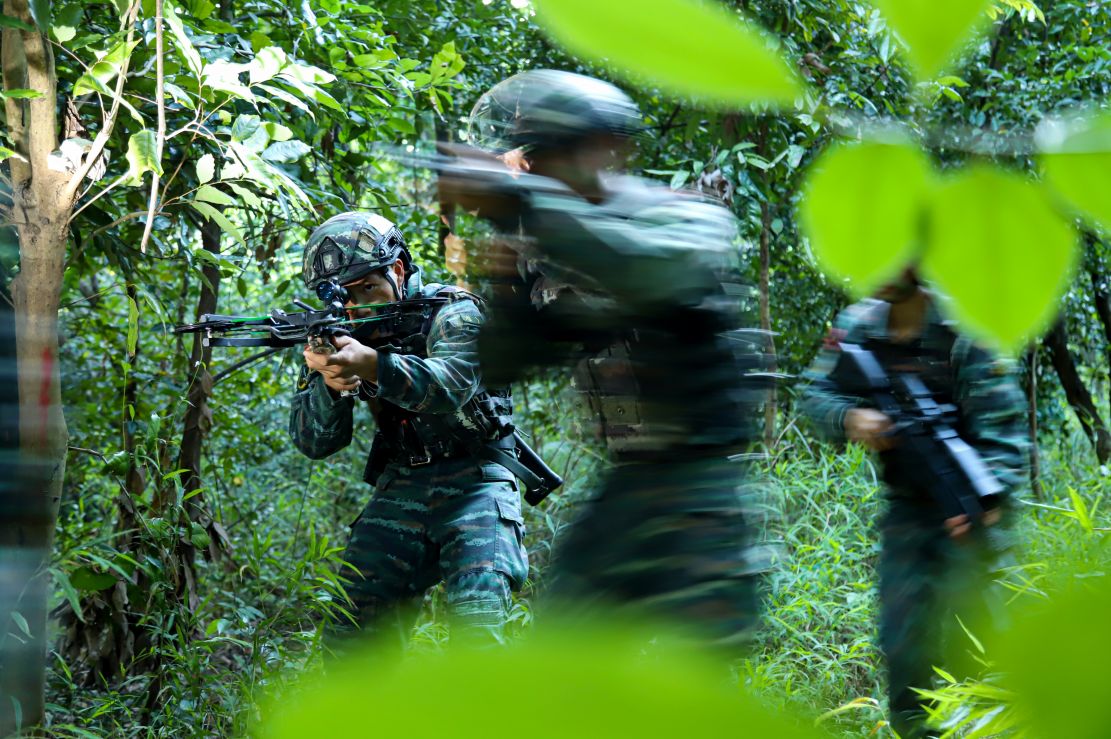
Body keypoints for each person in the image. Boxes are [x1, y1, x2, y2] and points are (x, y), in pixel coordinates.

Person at [440, 69, 770, 649]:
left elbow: (642, 268)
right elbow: (503, 365)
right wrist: (506, 275)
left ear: (606, 149)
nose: (533, 168)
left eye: (547, 154)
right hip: (631, 484)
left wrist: (524, 205)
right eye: (528, 158)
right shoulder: (549, 244)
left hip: (703, 490)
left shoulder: (686, 217)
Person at [799, 268, 1030, 738]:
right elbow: (813, 394)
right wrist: (851, 417)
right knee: (904, 642)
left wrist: (987, 504)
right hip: (907, 509)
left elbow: (1004, 435)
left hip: (974, 507)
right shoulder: (860, 324)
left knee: (989, 644)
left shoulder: (968, 327)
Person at [288, 212, 528, 650]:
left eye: (367, 288)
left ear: (397, 271)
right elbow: (314, 442)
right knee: (351, 638)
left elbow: (449, 386)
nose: (358, 307)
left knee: (478, 636)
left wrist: (371, 365)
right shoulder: (340, 332)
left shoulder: (452, 312)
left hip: (478, 480)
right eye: (345, 296)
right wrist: (330, 386)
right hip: (402, 483)